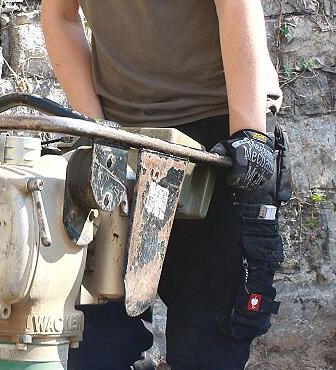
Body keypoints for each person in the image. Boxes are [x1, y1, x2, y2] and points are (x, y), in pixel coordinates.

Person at [41, 0, 292, 369]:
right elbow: (59, 15)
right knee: (95, 348)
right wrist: (95, 128)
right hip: (121, 141)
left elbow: (236, 5)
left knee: (208, 347)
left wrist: (250, 134)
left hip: (221, 139)